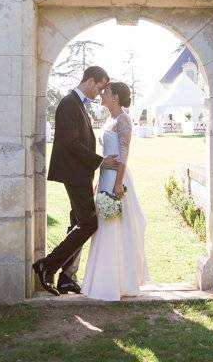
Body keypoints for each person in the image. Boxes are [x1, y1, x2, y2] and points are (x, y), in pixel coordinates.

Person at [32, 66, 118, 296]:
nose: (100, 93)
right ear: (90, 81)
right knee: (89, 224)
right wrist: (100, 162)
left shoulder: (78, 104)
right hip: (74, 173)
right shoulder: (69, 103)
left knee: (77, 223)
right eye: (100, 88)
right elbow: (71, 144)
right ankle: (47, 265)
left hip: (80, 174)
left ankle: (67, 278)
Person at [81, 81, 149, 300]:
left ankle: (117, 282)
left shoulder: (123, 119)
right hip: (105, 178)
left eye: (106, 92)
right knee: (103, 226)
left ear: (116, 97)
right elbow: (106, 154)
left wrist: (118, 183)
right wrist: (100, 181)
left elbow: (123, 154)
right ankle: (103, 280)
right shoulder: (110, 119)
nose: (102, 94)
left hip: (116, 178)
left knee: (115, 226)